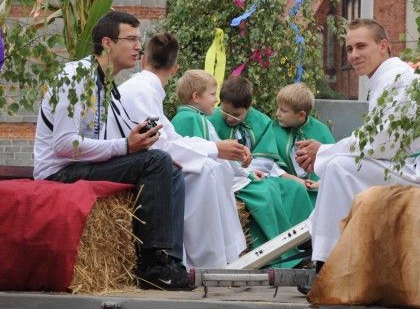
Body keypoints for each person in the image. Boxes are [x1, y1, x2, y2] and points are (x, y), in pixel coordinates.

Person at [294, 18, 420, 270]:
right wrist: (327, 152)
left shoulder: (395, 78)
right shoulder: (388, 76)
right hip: (418, 162)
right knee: (341, 167)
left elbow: (381, 141)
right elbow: (379, 138)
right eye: (350, 49)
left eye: (361, 46)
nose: (354, 55)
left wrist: (324, 152)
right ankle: (323, 239)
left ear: (384, 46)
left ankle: (326, 258)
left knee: (339, 168)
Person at [33, 11, 189, 290]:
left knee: (171, 167)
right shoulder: (76, 76)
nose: (138, 47)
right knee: (157, 162)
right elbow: (63, 144)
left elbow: (108, 143)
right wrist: (126, 147)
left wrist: (135, 145)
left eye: (139, 40)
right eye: (130, 39)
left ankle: (169, 261)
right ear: (107, 43)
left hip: (80, 168)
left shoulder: (107, 85)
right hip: (59, 173)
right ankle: (150, 265)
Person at [109, 37, 248, 269]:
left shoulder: (146, 89)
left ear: (144, 60)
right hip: (137, 164)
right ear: (175, 69)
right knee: (207, 171)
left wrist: (216, 151)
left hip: (145, 159)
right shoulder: (142, 91)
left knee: (214, 166)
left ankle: (225, 258)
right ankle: (203, 262)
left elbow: (172, 138)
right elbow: (161, 146)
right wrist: (214, 149)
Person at [206, 76, 313, 267]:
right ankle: (274, 255)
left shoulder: (262, 121)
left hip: (257, 173)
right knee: (265, 194)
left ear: (248, 107)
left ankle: (303, 245)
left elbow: (265, 159)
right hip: (231, 177)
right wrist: (242, 171)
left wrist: (252, 170)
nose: (229, 118)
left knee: (293, 189)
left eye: (236, 114)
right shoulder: (210, 119)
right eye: (225, 112)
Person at [270, 82, 336, 206]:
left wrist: (320, 183)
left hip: (317, 193)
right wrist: (289, 178)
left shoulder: (321, 131)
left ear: (301, 115)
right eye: (277, 108)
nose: (277, 113)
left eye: (283, 111)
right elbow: (267, 163)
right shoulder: (273, 129)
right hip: (285, 190)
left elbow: (334, 164)